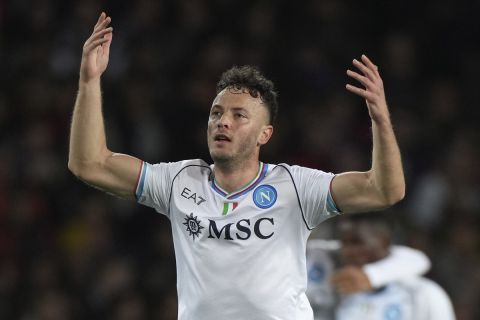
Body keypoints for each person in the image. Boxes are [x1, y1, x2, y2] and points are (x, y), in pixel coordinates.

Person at [68, 12, 405, 320]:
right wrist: (89, 81)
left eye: (238, 115)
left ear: (264, 134)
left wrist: (380, 118)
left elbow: (385, 190)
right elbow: (89, 164)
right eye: (216, 113)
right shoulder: (177, 182)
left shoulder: (298, 188)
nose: (222, 122)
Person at [332, 214, 456, 320]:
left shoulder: (424, 293)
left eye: (357, 242)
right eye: (343, 243)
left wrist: (373, 275)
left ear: (384, 241)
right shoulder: (334, 288)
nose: (346, 251)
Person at [306, 238, 431, 320]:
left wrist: (370, 275)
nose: (351, 252)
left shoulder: (420, 291)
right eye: (346, 243)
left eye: (359, 245)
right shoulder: (315, 253)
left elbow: (419, 260)